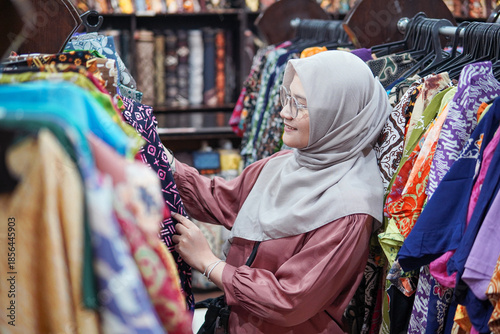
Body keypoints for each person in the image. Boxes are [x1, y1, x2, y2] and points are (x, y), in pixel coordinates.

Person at [170, 50, 391, 333]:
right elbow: (222, 200)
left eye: (300, 104)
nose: (284, 112)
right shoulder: (285, 163)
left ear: (338, 115)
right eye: (287, 99)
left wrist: (210, 264)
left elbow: (290, 301)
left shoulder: (349, 208)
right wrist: (159, 157)